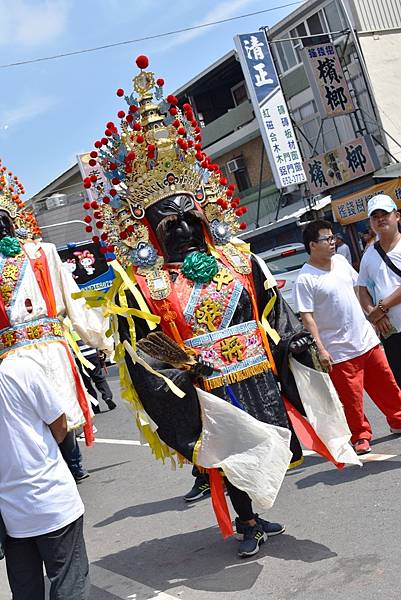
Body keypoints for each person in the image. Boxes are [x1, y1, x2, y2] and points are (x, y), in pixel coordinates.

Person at [79, 56, 359, 557]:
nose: (185, 230)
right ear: (149, 231)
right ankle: (246, 520)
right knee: (229, 455)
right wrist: (179, 376)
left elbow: (272, 309)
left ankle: (256, 510)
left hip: (254, 373)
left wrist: (292, 338)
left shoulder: (237, 258)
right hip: (208, 385)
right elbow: (144, 351)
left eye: (191, 219)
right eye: (171, 224)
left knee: (268, 447)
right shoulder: (144, 286)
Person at [0, 161, 113, 481]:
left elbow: (72, 296)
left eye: (2, 219)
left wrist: (100, 340)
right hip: (8, 355)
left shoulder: (42, 252)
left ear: (13, 220)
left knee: (59, 405)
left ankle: (73, 462)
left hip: (49, 346)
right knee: (25, 419)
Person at [293, 219, 401, 455]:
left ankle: (397, 419)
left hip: (366, 339)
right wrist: (321, 349)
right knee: (351, 400)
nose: (333, 242)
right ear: (312, 244)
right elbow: (307, 318)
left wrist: (371, 317)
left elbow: (357, 289)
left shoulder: (341, 262)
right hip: (339, 349)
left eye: (333, 238)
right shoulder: (305, 279)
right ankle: (361, 436)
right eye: (327, 239)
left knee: (387, 385)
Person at [0, 354, 89, 599]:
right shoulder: (20, 368)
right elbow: (59, 425)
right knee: (69, 583)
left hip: (10, 517)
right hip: (51, 500)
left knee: (26, 592)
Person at [358, 194, 401, 389]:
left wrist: (381, 307)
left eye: (385, 214)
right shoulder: (369, 254)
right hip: (391, 333)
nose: (380, 219)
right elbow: (362, 289)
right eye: (375, 216)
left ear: (397, 216)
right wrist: (374, 315)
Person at [76, 340, 116, 413]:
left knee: (86, 383)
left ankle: (94, 406)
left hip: (78, 356)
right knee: (99, 378)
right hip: (91, 353)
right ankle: (107, 396)